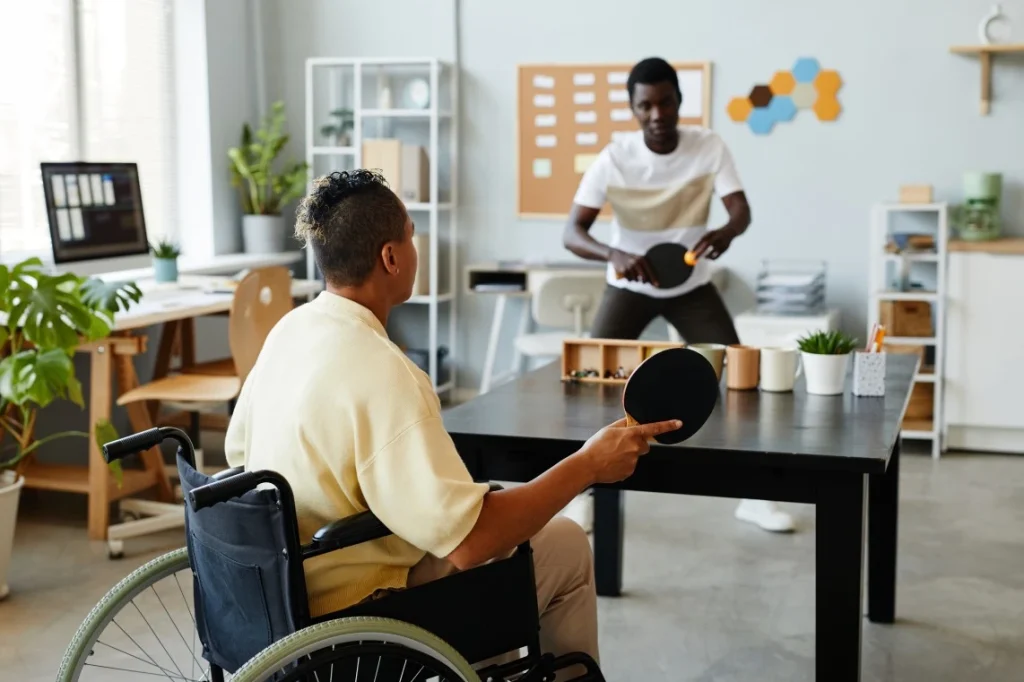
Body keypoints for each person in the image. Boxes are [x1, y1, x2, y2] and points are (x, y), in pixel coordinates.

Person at [223, 169, 682, 676]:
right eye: (411, 238)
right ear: (391, 258)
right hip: (353, 613)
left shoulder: (289, 330)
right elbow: (469, 542)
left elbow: (236, 455)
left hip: (279, 592)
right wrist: (587, 466)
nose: (415, 251)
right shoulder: (384, 371)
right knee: (566, 543)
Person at [561, 57, 795, 533]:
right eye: (645, 105)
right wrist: (614, 255)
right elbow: (572, 232)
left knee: (738, 376)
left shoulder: (709, 147)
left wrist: (726, 232)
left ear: (679, 102)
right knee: (590, 382)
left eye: (665, 102)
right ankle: (579, 495)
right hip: (629, 285)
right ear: (633, 108)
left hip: (691, 287)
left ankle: (755, 495)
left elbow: (740, 212)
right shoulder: (614, 157)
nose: (657, 114)